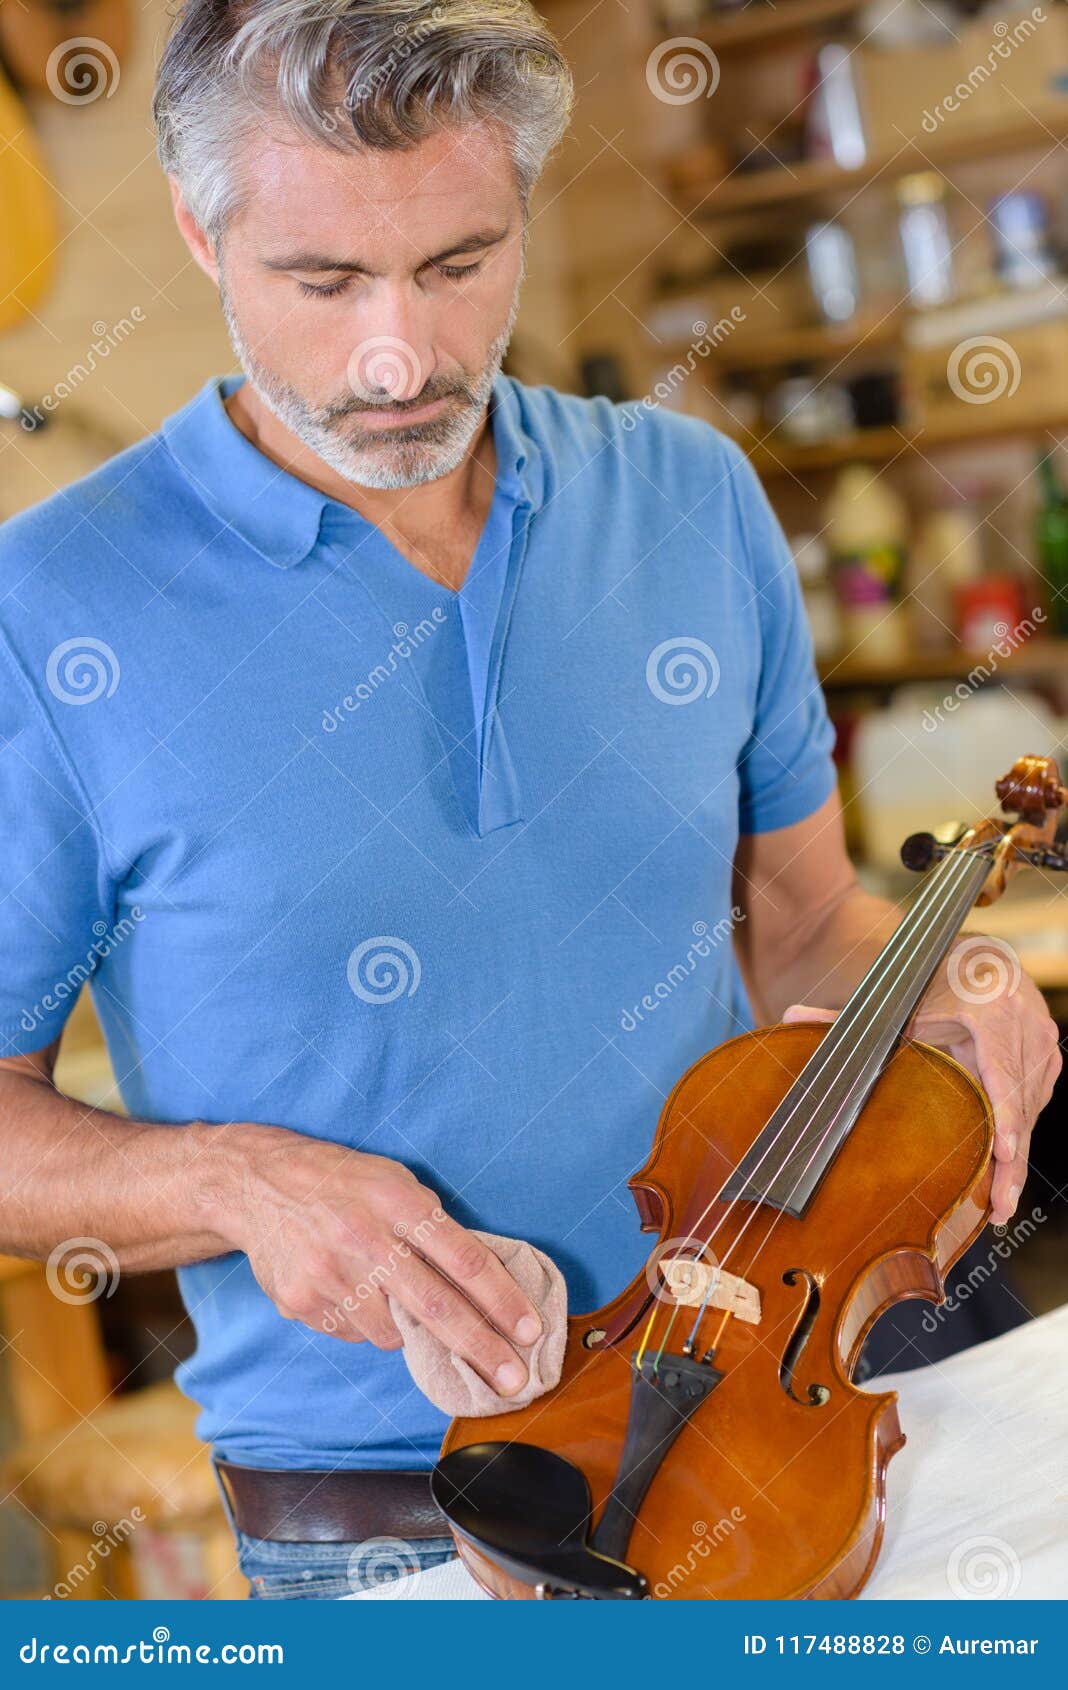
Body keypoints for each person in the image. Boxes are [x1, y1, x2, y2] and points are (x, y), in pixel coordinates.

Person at [0, 0, 1058, 1600]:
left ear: (521, 202)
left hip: (785, 1433)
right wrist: (235, 1180)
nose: (400, 356)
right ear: (201, 232)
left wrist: (946, 984)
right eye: (324, 279)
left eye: (458, 262)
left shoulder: (692, 500)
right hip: (379, 1523)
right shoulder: (49, 607)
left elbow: (801, 923)